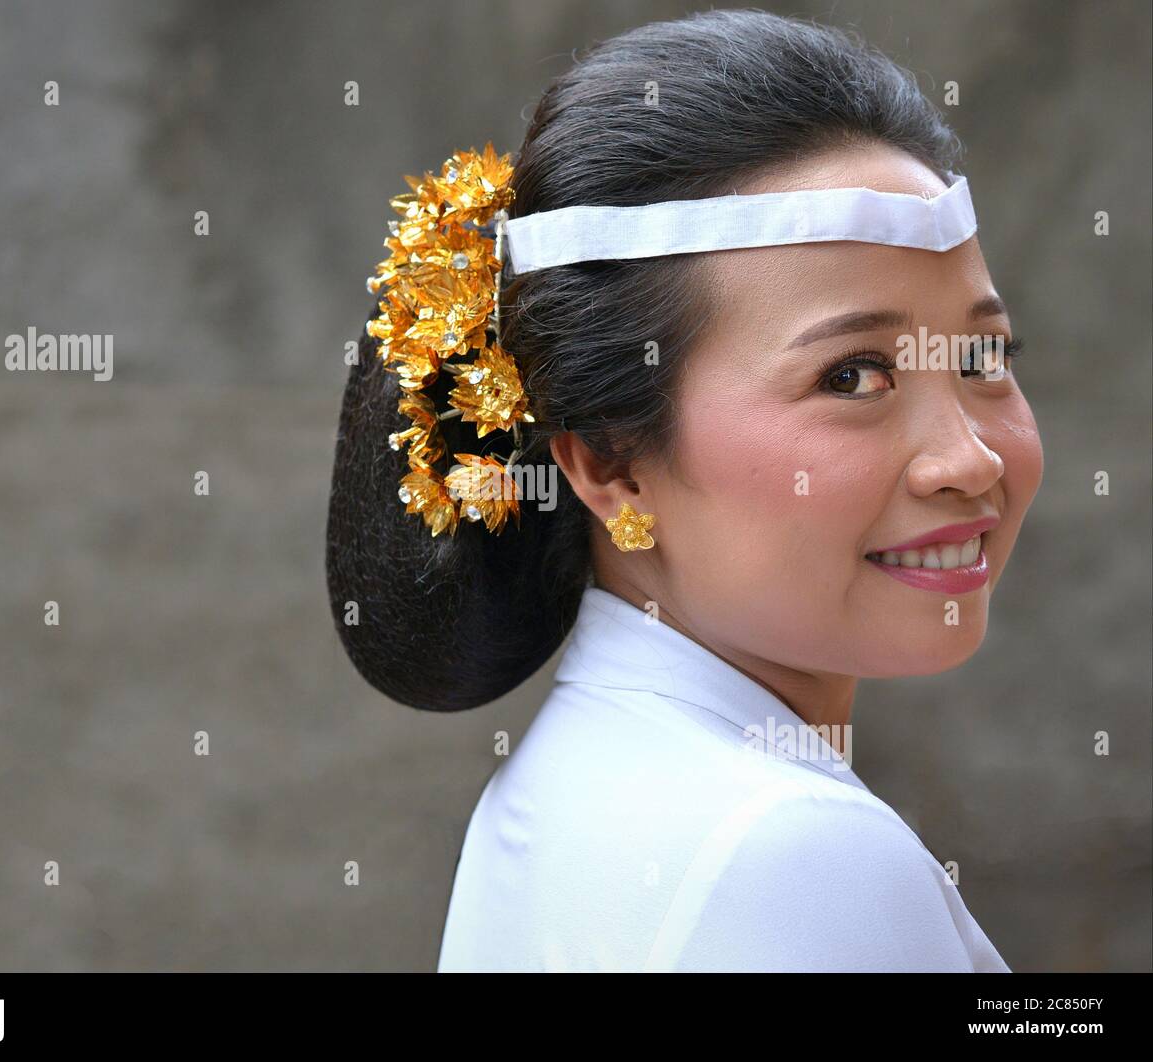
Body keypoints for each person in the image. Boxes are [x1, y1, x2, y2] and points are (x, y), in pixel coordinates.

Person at [326, 9, 1042, 971]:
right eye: (853, 377)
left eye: (982, 356)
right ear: (611, 465)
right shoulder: (795, 851)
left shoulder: (585, 780)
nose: (970, 459)